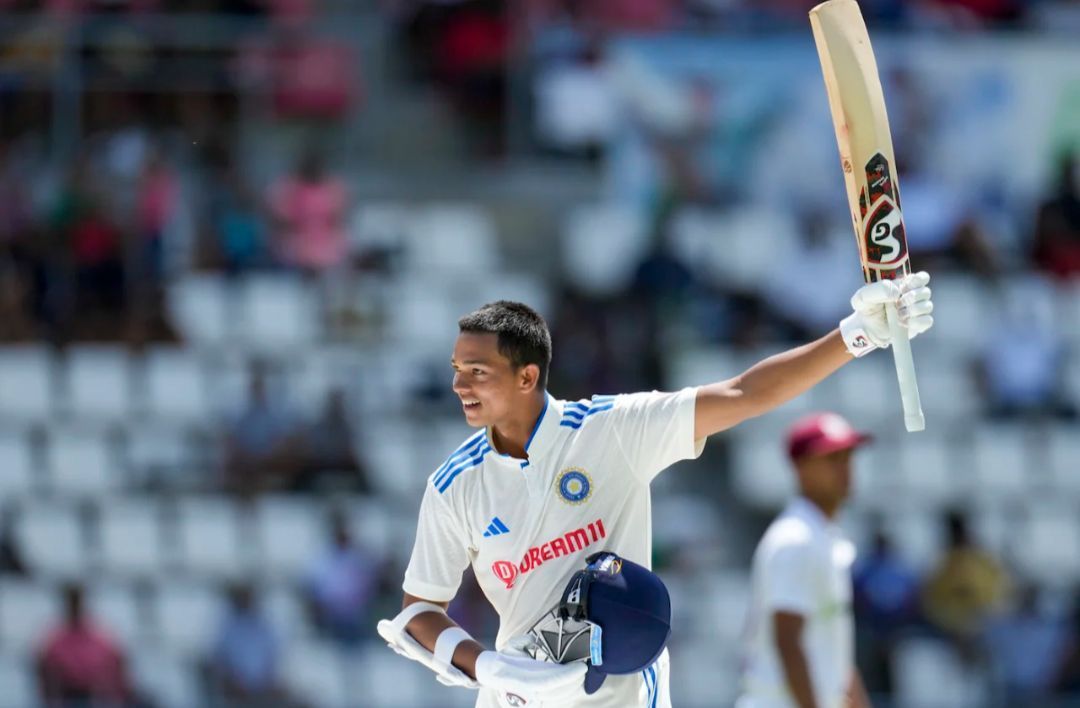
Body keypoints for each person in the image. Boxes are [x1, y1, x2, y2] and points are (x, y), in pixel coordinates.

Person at [378, 273, 934, 708]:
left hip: (618, 690)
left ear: (527, 377)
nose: (458, 384)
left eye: (476, 371)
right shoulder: (454, 484)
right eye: (456, 368)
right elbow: (418, 609)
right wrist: (489, 667)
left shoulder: (610, 430)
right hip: (518, 691)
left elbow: (742, 393)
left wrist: (855, 336)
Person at [736, 413, 872, 708]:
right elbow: (788, 641)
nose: (845, 469)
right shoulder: (795, 539)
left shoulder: (822, 537)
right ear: (800, 468)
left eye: (848, 457)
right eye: (832, 459)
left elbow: (833, 650)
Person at [37, 583, 134, 707]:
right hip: (67, 697)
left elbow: (118, 663)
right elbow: (44, 671)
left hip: (97, 697)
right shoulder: (54, 640)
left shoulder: (99, 636)